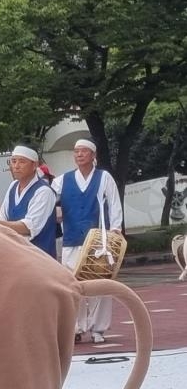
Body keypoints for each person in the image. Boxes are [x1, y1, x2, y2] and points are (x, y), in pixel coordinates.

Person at [53, 139, 123, 344]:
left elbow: (114, 203)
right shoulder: (62, 180)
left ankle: (98, 328)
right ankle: (76, 327)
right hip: (72, 239)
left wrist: (116, 230)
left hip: (98, 241)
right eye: (76, 152)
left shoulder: (104, 177)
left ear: (93, 155)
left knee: (100, 283)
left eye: (84, 151)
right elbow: (49, 199)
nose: (79, 155)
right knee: (73, 285)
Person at [0, 145, 58, 258]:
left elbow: (28, 227)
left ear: (34, 165)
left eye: (22, 162)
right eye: (13, 161)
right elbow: (3, 216)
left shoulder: (43, 191)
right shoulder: (13, 186)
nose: (16, 166)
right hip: (16, 256)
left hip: (40, 258)